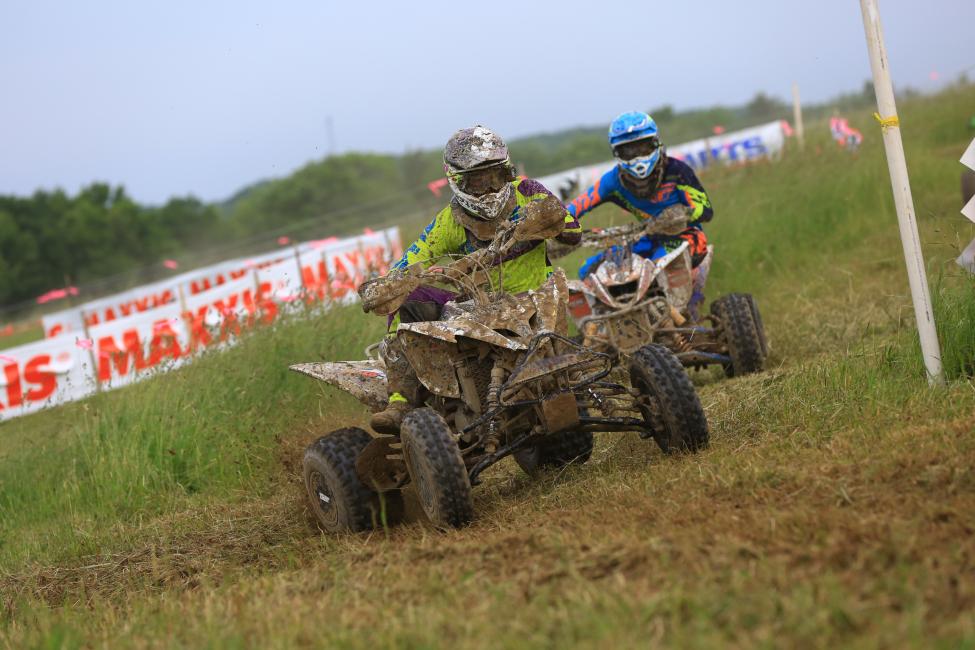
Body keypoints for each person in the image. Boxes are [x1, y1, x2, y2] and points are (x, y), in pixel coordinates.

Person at [367, 125, 582, 434]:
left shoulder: (528, 191)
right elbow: (410, 261)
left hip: (539, 297)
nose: (488, 189)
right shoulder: (448, 222)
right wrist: (387, 286)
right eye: (477, 181)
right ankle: (401, 400)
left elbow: (573, 233)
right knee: (407, 301)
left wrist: (545, 221)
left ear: (506, 171)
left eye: (494, 177)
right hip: (484, 309)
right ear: (457, 181)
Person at [565, 111, 713, 286]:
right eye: (628, 151)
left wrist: (679, 215)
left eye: (643, 148)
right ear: (617, 153)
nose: (637, 156)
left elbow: (705, 209)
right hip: (648, 239)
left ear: (655, 143)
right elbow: (575, 207)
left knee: (658, 266)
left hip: (687, 236)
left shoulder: (677, 170)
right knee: (589, 269)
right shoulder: (612, 181)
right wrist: (552, 226)